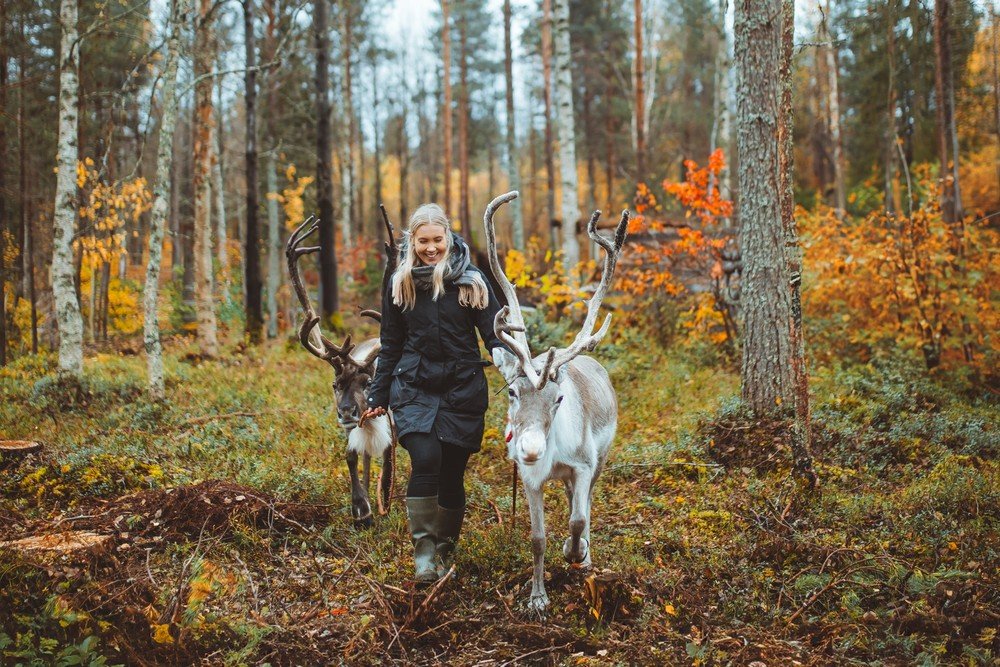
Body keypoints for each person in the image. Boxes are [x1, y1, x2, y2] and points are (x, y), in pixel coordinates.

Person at [360, 203, 507, 584]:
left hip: (462, 389)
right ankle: (424, 555)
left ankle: (446, 551)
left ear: (448, 237)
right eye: (423, 241)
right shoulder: (400, 281)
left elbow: (494, 334)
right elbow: (391, 343)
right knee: (426, 458)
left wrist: (511, 364)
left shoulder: (472, 281)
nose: (430, 248)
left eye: (437, 240)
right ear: (412, 241)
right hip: (414, 385)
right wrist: (377, 394)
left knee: (453, 471)